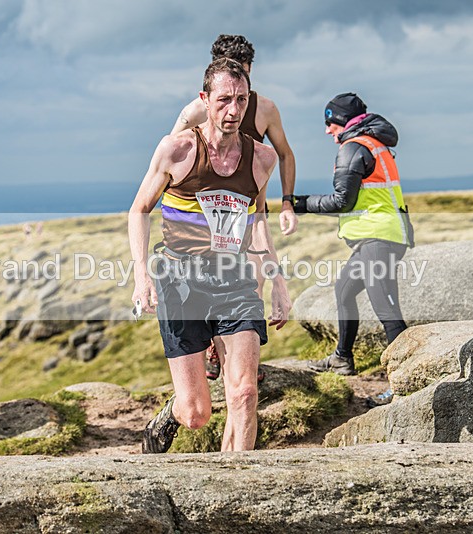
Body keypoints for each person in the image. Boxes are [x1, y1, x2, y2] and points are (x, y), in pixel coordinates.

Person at [130, 58, 291, 453]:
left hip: (233, 280)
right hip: (180, 281)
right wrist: (142, 277)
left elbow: (257, 221)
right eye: (223, 100)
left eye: (240, 100)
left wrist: (278, 282)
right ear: (205, 100)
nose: (233, 111)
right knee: (196, 413)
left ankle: (237, 492)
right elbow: (139, 211)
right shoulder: (177, 150)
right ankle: (171, 412)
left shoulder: (261, 160)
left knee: (244, 394)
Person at [171, 34, 298, 381]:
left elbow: (285, 154)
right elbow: (167, 160)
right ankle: (214, 349)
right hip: (204, 218)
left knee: (253, 281)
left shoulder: (266, 108)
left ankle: (243, 361)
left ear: (250, 70)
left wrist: (287, 202)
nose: (234, 106)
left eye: (242, 73)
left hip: (248, 207)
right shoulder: (195, 111)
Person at [292, 93, 412, 394]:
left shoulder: (353, 147)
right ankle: (342, 359)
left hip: (378, 238)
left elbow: (342, 201)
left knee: (387, 311)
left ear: (342, 121)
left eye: (329, 123)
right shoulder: (373, 143)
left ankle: (404, 383)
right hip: (379, 237)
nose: (327, 131)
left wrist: (299, 204)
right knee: (343, 290)